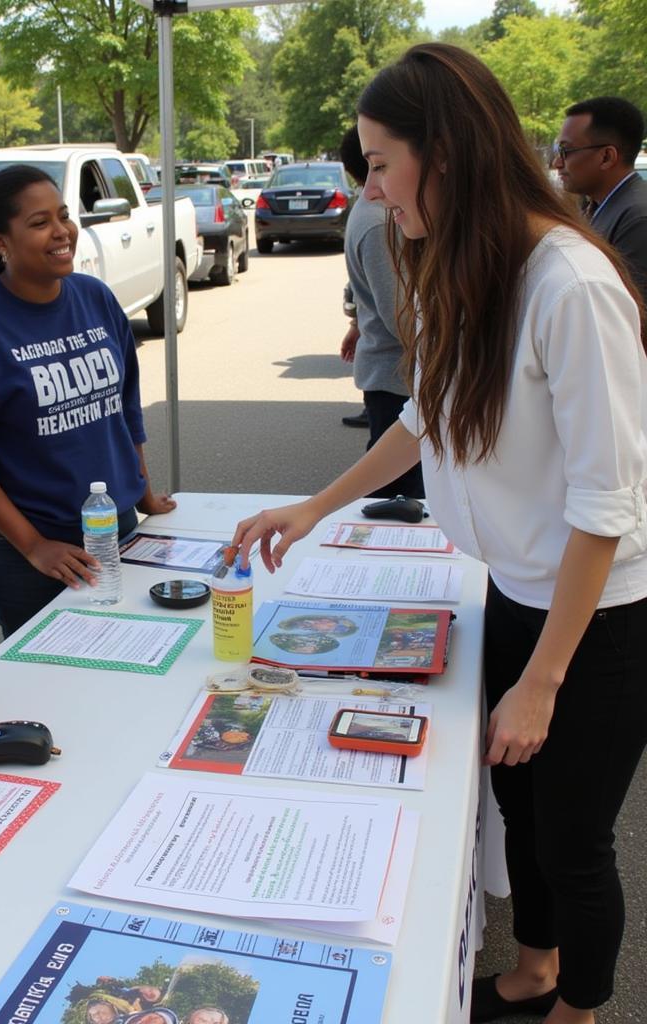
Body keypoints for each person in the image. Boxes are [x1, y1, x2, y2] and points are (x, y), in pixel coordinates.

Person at [233, 44, 647, 1024]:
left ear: (447, 156)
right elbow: (424, 416)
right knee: (516, 806)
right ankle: (533, 968)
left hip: (597, 621)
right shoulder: (474, 265)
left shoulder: (568, 285)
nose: (369, 189)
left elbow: (605, 506)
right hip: (514, 588)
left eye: (380, 162)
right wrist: (312, 506)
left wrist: (541, 683)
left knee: (572, 839)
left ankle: (578, 1008)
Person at [0, 165, 175, 637]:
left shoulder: (95, 298)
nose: (61, 232)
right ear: (0, 241)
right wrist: (35, 545)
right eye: (39, 224)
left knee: (131, 654)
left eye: (63, 216)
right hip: (30, 550)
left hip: (117, 523)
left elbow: (125, 403)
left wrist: (140, 490)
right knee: (50, 681)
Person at [338, 123, 423, 498]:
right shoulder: (377, 221)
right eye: (376, 165)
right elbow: (400, 314)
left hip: (399, 377)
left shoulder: (379, 215)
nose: (377, 183)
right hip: (396, 381)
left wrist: (357, 321)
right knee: (396, 499)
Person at [552, 97, 647, 300]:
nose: (557, 162)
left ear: (607, 157)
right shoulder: (596, 205)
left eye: (565, 151)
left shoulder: (637, 217)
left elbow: (630, 310)